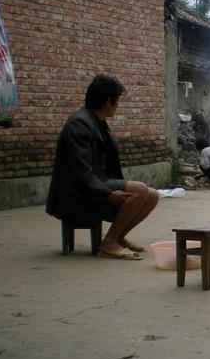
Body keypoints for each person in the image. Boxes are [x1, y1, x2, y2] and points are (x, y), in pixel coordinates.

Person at [46, 74, 159, 260]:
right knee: (139, 191)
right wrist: (107, 194)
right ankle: (109, 243)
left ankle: (119, 237)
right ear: (108, 101)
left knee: (152, 195)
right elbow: (81, 172)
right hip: (75, 194)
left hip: (94, 184)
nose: (118, 106)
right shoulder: (79, 124)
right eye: (117, 101)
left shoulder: (98, 123)